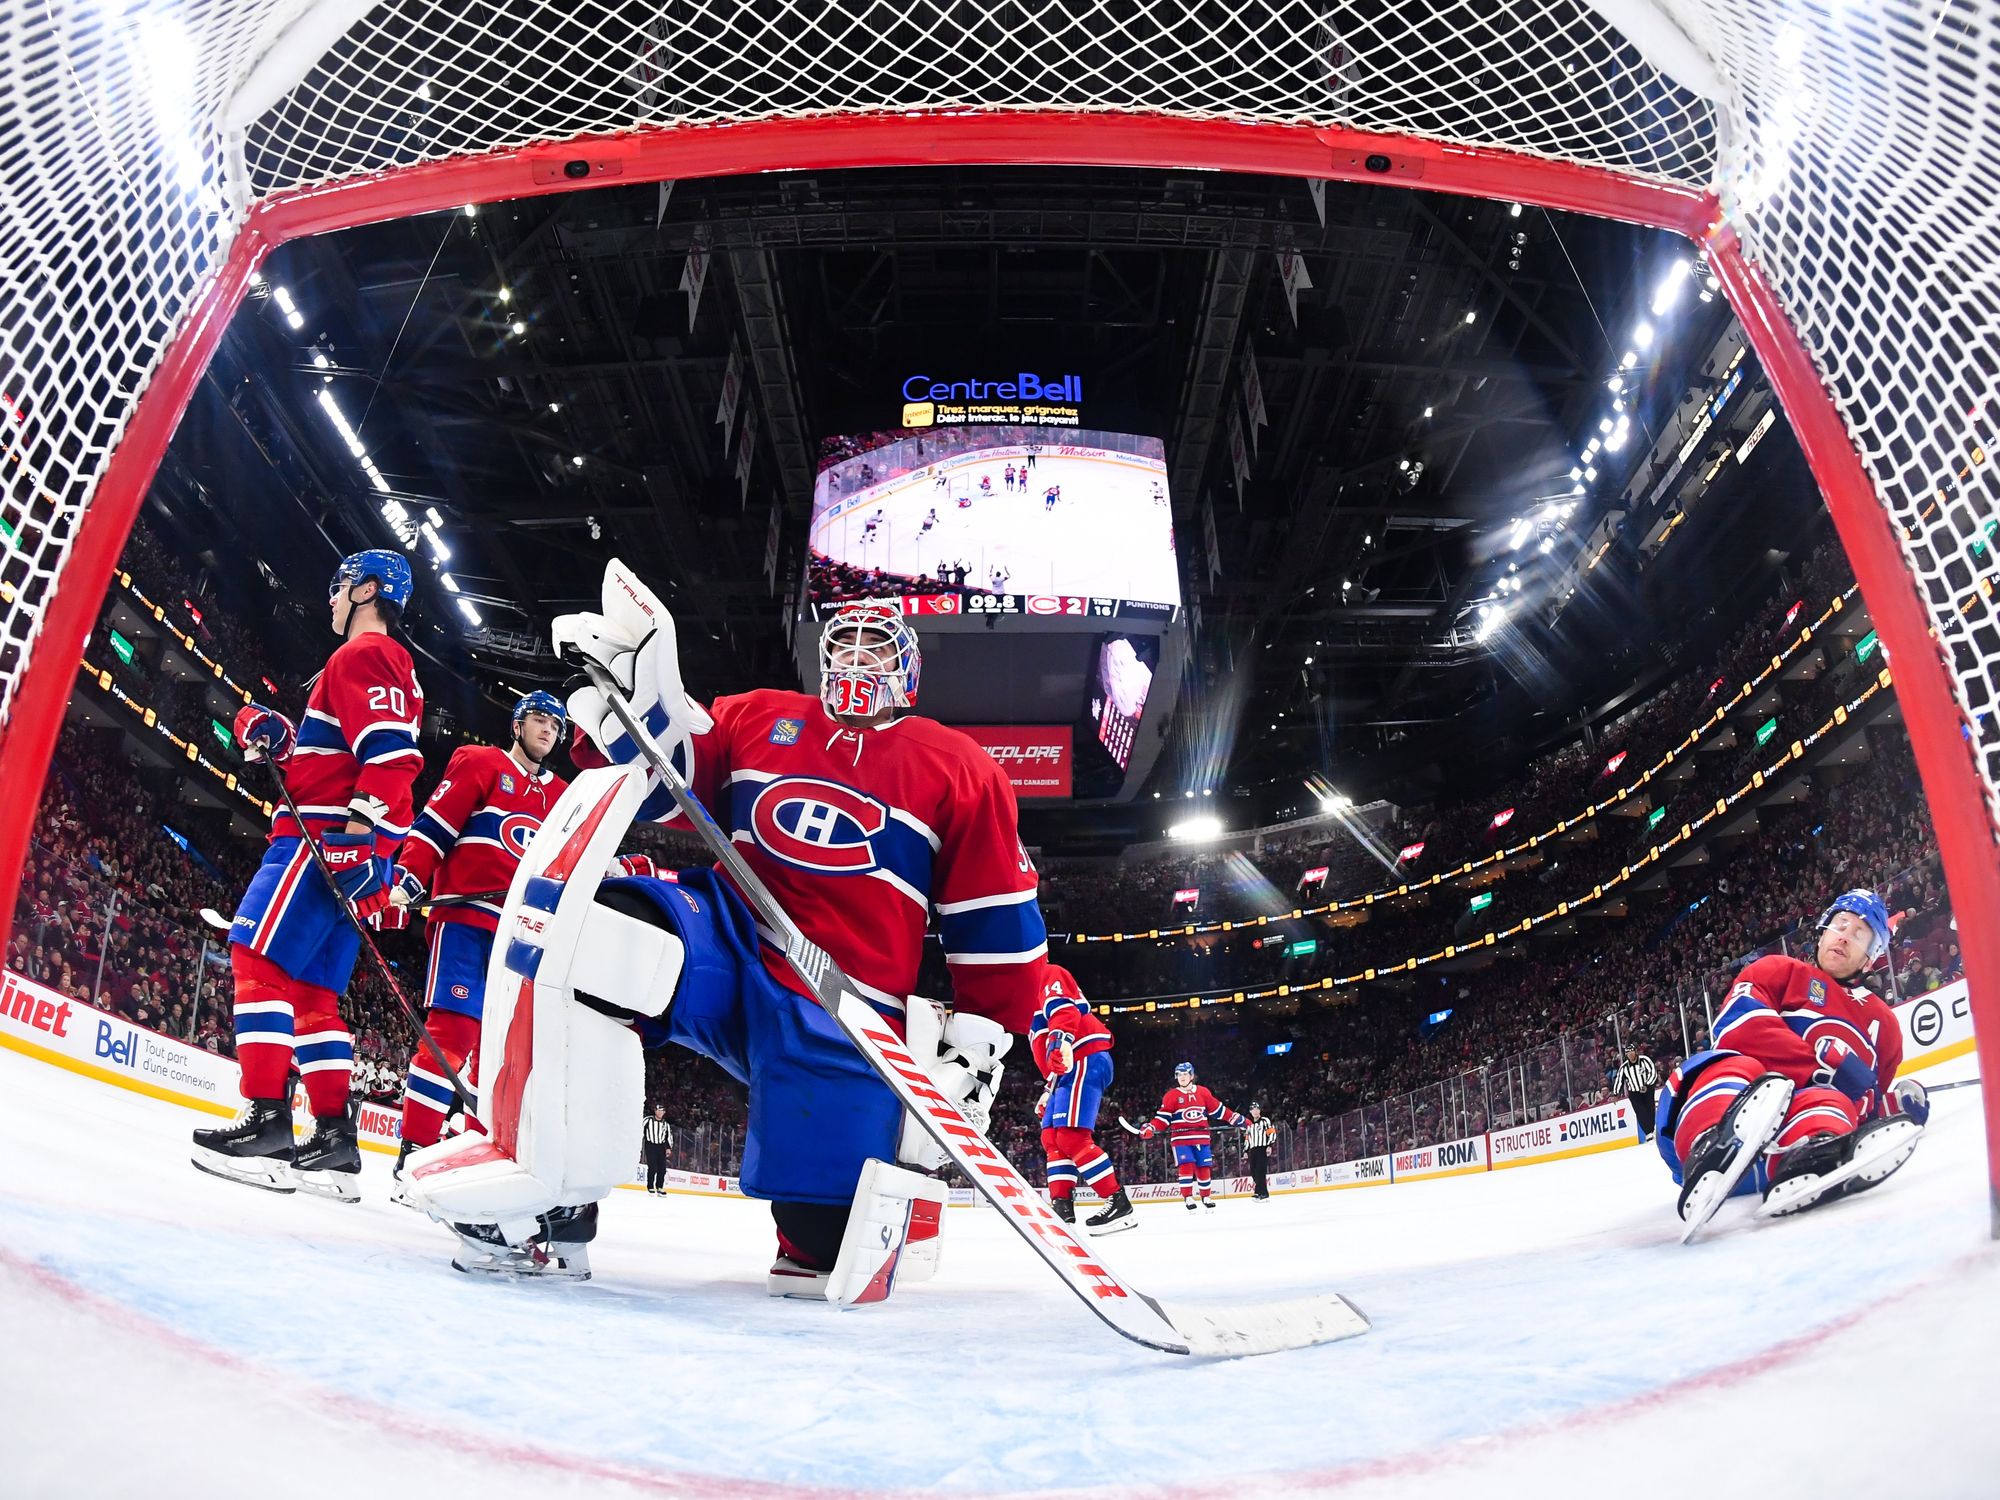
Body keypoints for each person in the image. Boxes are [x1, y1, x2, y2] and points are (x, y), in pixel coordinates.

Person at [406, 566, 1048, 1297]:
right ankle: (554, 1210)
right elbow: (667, 780)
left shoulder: (960, 767)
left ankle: (871, 1184)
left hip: (841, 1003)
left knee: (818, 1261)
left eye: (878, 647)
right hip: (730, 940)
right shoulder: (758, 715)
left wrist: (977, 1052)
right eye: (848, 643)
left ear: (909, 668)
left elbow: (995, 919)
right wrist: (629, 720)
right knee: (607, 937)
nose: (859, 659)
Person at [190, 549, 424, 1201]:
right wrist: (285, 740)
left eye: (340, 586)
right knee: (316, 998)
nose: (331, 598)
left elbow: (392, 758)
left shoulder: (363, 655)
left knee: (255, 958)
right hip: (346, 842)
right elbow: (353, 752)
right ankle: (334, 1139)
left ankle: (267, 1121)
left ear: (369, 590)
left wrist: (354, 841)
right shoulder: (389, 668)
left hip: (318, 841)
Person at [1654, 889, 1930, 1238]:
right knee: (1725, 1065)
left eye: (1859, 934)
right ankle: (1711, 1146)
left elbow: (1866, 1101)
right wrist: (1816, 1070)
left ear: (1869, 958)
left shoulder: (1884, 1026)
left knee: (1831, 1103)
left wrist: (1894, 1104)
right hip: (1723, 1110)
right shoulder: (1779, 969)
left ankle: (1811, 1155)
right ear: (1823, 929)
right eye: (1840, 924)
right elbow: (1738, 1028)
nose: (1844, 935)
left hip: (1779, 1148)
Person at [383, 692, 572, 1190]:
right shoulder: (480, 762)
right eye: (538, 719)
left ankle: (474, 1160)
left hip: (522, 939)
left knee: (500, 1054)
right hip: (466, 920)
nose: (547, 730)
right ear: (517, 724)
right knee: (453, 1035)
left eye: (556, 725)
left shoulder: (562, 796)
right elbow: (435, 827)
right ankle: (414, 1151)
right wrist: (407, 879)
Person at [1031, 963, 1133, 1235]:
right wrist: (1048, 1088)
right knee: (1051, 1137)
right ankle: (1062, 1208)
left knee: (1071, 1136)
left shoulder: (1044, 972)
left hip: (1082, 1055)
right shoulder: (1023, 998)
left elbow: (1065, 1009)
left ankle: (1117, 1201)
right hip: (1064, 1068)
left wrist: (1060, 1041)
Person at [1130, 1061, 1247, 1210]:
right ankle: (1188, 1197)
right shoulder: (1171, 1096)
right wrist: (1151, 1126)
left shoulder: (1203, 1092)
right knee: (1186, 1166)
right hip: (1181, 1140)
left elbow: (1220, 1111)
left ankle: (1206, 1196)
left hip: (1201, 1137)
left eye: (1185, 1074)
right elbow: (1163, 1118)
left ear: (1191, 1076)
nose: (1182, 1077)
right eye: (1179, 1074)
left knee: (1204, 1166)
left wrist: (1240, 1120)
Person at [1611, 1046, 1660, 1140]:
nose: (1630, 1055)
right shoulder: (1624, 1067)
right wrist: (1616, 1093)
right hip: (1634, 1092)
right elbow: (1619, 1080)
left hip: (1647, 1089)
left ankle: (1652, 1128)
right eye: (1628, 1053)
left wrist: (1647, 1084)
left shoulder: (1644, 1060)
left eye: (1632, 1052)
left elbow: (1652, 1072)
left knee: (1650, 1108)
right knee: (1640, 1111)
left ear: (1636, 1052)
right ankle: (1648, 1132)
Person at [1244, 1103, 1277, 1200]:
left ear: (1259, 1110)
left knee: (1260, 1170)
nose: (1255, 1111)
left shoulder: (1265, 1121)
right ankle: (1259, 1191)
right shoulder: (1249, 1124)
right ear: (1250, 1112)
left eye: (1256, 1109)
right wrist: (1245, 1150)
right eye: (1253, 1109)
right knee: (1253, 1171)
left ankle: (1263, 1192)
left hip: (1262, 1148)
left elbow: (1272, 1133)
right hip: (1253, 1149)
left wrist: (1269, 1145)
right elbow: (1247, 1138)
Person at [641, 1104, 673, 1194]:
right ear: (655, 1111)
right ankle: (650, 1186)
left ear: (664, 1112)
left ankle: (659, 1187)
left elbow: (668, 1137)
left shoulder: (666, 1124)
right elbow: (640, 1131)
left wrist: (668, 1148)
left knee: (662, 1169)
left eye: (662, 1110)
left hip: (661, 1147)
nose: (660, 1112)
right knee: (652, 1167)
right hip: (650, 1145)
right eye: (658, 1110)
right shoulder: (648, 1120)